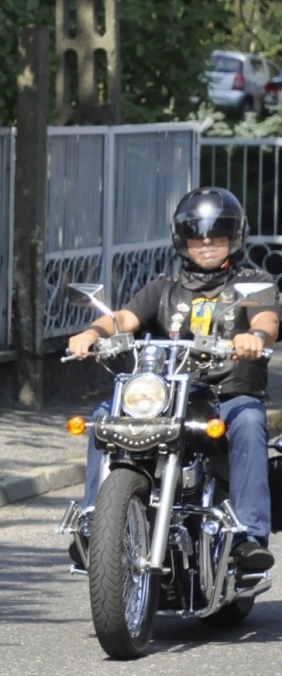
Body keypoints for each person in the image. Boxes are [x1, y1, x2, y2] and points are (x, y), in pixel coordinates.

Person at [66, 186, 280, 574]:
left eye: (217, 235)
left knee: (249, 422)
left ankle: (249, 538)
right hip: (169, 393)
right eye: (198, 236)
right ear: (183, 240)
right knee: (103, 417)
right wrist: (93, 333)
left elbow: (267, 319)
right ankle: (95, 523)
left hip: (228, 395)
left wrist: (256, 337)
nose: (208, 243)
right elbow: (122, 318)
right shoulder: (163, 287)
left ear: (234, 237)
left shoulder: (253, 281)